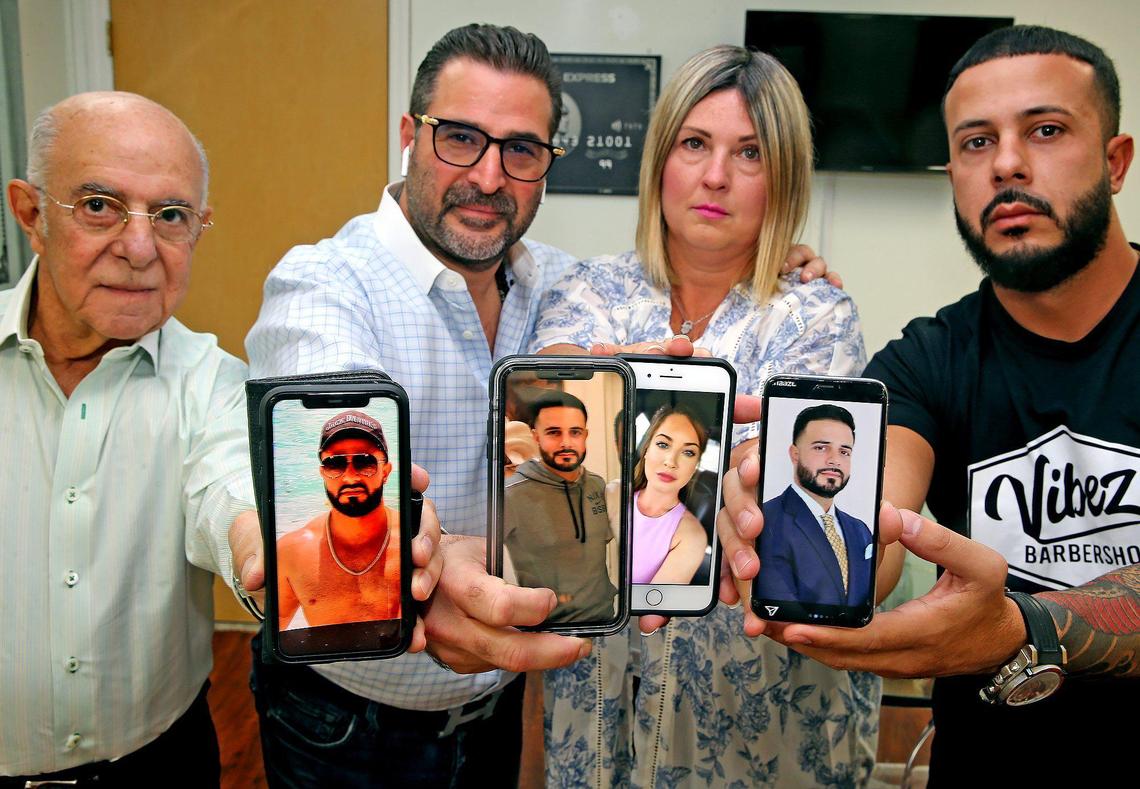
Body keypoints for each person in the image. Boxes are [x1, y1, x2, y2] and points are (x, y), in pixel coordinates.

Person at [719, 25, 1138, 787]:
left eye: (1045, 130)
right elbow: (879, 515)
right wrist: (790, 529)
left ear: (1115, 162)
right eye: (975, 144)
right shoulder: (926, 358)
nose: (1007, 164)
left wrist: (1023, 626)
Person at [241, 24, 591, 788]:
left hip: (496, 708)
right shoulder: (326, 284)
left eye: (521, 151)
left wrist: (788, 268)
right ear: (409, 135)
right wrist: (421, 559)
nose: (490, 177)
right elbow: (334, 447)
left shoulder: (560, 284)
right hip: (347, 720)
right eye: (460, 138)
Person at [532, 46, 877, 787]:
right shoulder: (588, 290)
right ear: (661, 158)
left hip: (764, 708)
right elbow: (551, 394)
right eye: (695, 144)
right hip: (605, 701)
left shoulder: (817, 315)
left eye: (749, 153)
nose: (715, 176)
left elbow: (795, 493)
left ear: (781, 176)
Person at [0, 91, 254, 786]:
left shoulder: (211, 379)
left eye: (171, 216)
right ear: (30, 214)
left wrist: (271, 546)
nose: (140, 248)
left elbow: (232, 486)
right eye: (99, 206)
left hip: (162, 764)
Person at [277, 410, 401, 631]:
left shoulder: (413, 540)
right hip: (320, 665)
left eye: (364, 462)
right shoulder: (293, 551)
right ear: (322, 473)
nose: (350, 477)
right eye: (335, 464)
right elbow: (276, 630)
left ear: (386, 471)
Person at [503, 391, 615, 623]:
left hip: (608, 623)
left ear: (585, 435)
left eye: (575, 432)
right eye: (554, 433)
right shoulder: (510, 494)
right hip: (548, 631)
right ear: (535, 437)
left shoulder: (597, 484)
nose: (566, 442)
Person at [757, 404, 872, 607]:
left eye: (844, 452)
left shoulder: (860, 530)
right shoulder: (766, 520)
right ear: (795, 454)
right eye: (821, 447)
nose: (835, 460)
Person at [630, 403, 709, 584]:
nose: (670, 462)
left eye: (688, 452)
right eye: (663, 444)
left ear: (695, 465)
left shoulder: (692, 536)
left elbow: (654, 611)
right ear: (646, 449)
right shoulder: (612, 495)